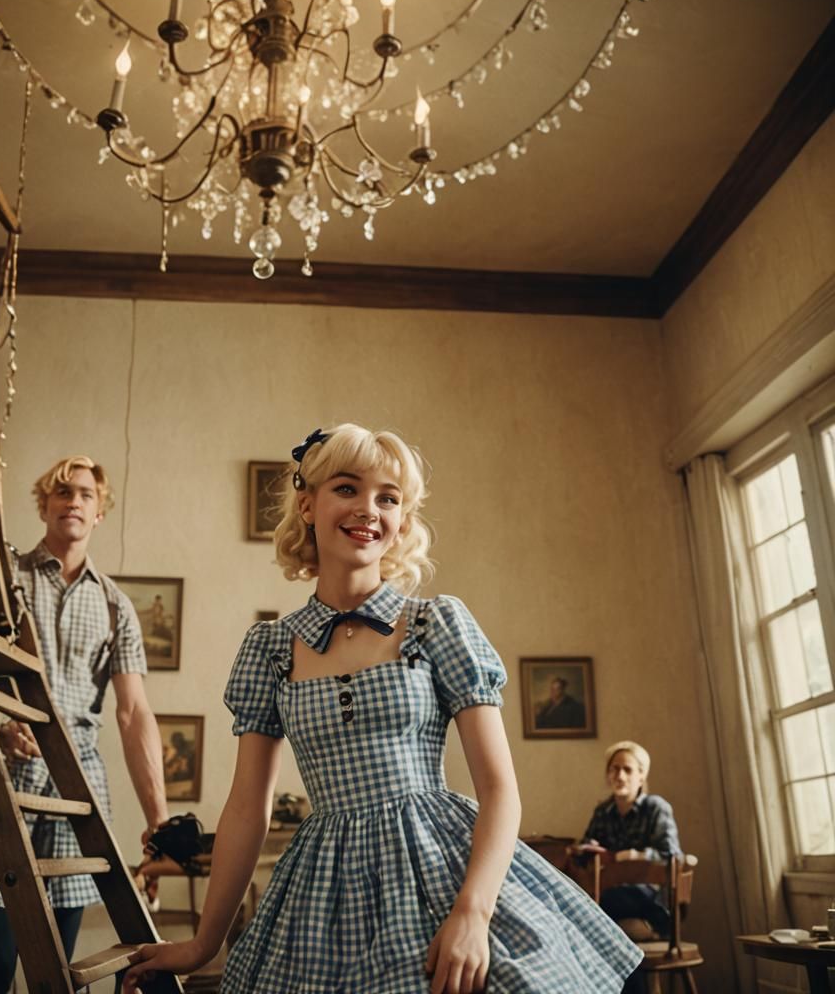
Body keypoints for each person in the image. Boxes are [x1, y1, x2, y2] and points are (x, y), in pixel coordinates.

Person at [125, 424, 641, 993]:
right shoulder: (269, 648)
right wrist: (204, 944)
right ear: (308, 504)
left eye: (388, 498)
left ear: (402, 521)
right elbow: (248, 807)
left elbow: (499, 790)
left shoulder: (436, 623)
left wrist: (473, 912)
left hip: (444, 869)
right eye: (347, 488)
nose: (369, 509)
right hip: (323, 896)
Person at [0, 455, 169, 993]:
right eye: (61, 492)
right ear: (45, 505)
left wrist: (160, 820)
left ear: (99, 512)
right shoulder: (2, 573)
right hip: (12, 783)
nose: (72, 500)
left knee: (59, 971)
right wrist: (1, 724)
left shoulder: (116, 604)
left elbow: (133, 711)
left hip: (81, 793)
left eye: (84, 494)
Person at [572, 741, 682, 940]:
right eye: (614, 769)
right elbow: (583, 851)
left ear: (641, 776)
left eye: (627, 770)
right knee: (581, 902)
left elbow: (671, 857)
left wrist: (632, 856)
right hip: (611, 896)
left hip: (651, 899)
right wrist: (586, 851)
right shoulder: (603, 812)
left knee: (597, 907)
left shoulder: (655, 808)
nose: (620, 776)